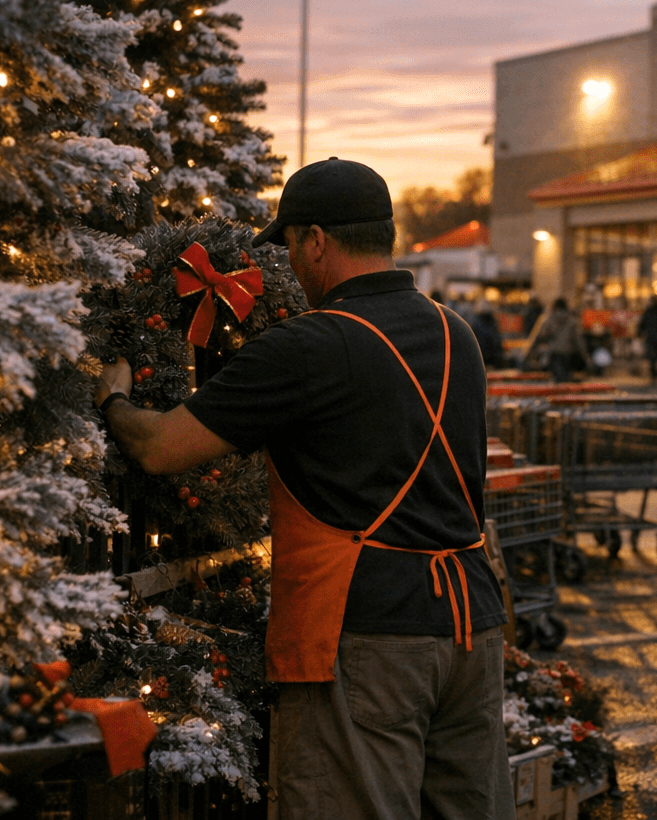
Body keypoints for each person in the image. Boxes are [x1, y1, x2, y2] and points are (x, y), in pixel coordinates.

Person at [92, 158, 513, 819]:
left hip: (366, 637)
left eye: (288, 247)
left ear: (316, 240)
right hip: (471, 629)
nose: (288, 264)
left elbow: (161, 447)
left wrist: (114, 397)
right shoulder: (455, 331)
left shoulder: (312, 344)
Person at [526, 296, 587, 383]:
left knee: (557, 379)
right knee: (566, 378)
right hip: (568, 353)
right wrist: (585, 355)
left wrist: (531, 353)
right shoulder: (572, 322)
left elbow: (540, 337)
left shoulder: (549, 321)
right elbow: (579, 341)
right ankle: (565, 393)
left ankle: (559, 392)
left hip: (554, 354)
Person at [470, 300, 504, 370]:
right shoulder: (492, 322)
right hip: (491, 361)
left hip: (482, 361)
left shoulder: (475, 322)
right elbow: (496, 341)